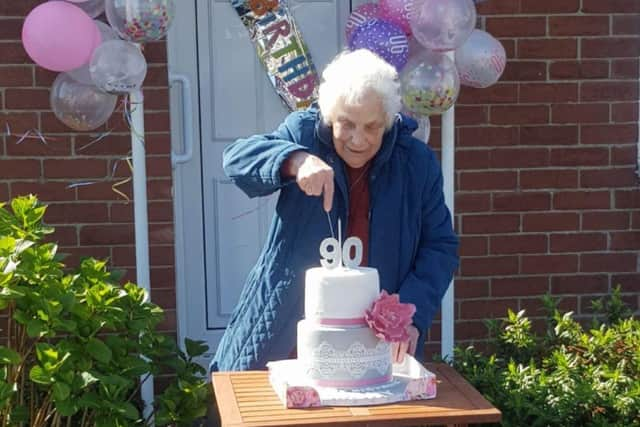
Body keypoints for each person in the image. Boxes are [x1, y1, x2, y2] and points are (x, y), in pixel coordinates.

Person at [210, 49, 459, 373]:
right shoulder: (304, 133)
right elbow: (236, 160)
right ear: (329, 116)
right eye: (347, 124)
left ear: (387, 121)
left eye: (372, 127)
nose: (358, 140)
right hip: (283, 336)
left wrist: (409, 313)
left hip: (377, 346)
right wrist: (294, 161)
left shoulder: (415, 162)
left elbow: (440, 246)